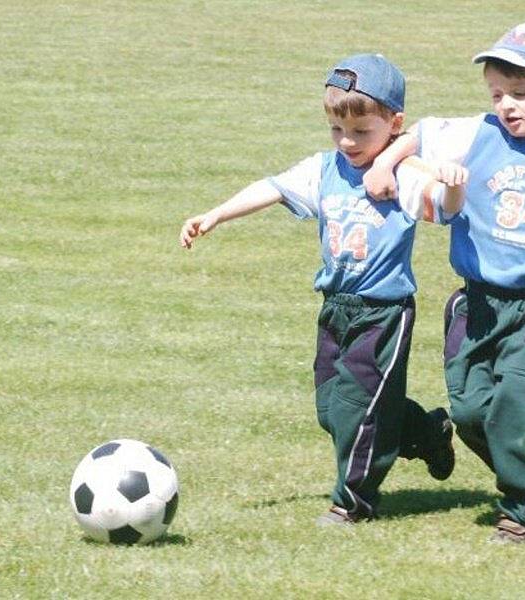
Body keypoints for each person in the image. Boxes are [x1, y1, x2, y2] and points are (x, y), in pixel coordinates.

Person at [363, 24, 525, 541]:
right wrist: (387, 163)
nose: (507, 104)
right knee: (468, 409)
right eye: (497, 93)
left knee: (520, 403)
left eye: (521, 93)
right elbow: (417, 133)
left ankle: (522, 513)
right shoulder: (478, 134)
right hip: (476, 302)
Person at [180, 54, 468, 525]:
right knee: (332, 408)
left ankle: (352, 503)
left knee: (358, 411)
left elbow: (448, 208)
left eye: (361, 131)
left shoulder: (406, 174)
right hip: (336, 308)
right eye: (337, 129)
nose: (347, 142)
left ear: (394, 125)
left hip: (383, 312)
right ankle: (425, 429)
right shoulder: (325, 169)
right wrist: (214, 214)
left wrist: (454, 183)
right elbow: (271, 187)